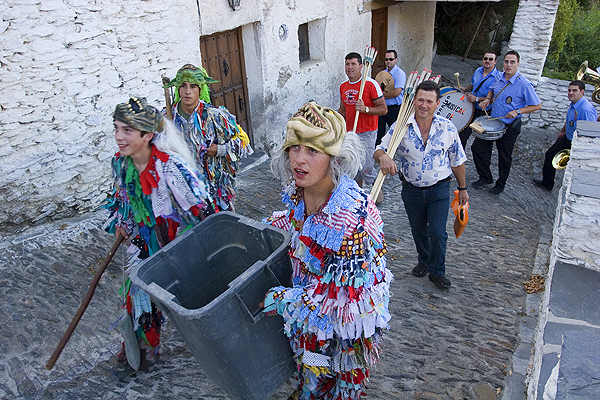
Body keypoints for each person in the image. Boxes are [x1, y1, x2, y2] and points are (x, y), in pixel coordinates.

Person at [262, 102, 392, 399]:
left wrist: (280, 299)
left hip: (349, 328)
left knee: (341, 388)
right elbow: (300, 224)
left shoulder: (350, 217)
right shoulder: (301, 191)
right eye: (295, 148)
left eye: (312, 151)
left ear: (333, 157)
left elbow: (338, 301)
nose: (299, 160)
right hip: (312, 325)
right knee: (312, 371)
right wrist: (268, 226)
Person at [104, 97, 214, 375]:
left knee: (188, 297)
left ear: (148, 135)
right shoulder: (122, 164)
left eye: (127, 130)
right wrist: (123, 221)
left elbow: (201, 209)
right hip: (144, 240)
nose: (119, 137)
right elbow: (125, 196)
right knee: (137, 291)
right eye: (116, 128)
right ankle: (140, 346)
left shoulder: (169, 167)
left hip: (179, 242)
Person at [374, 81, 468, 289]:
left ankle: (437, 270)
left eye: (429, 101)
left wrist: (462, 189)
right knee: (418, 230)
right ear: (414, 100)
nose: (423, 105)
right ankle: (424, 260)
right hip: (411, 189)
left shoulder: (447, 127)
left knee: (437, 232)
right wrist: (384, 158)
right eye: (420, 100)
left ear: (437, 104)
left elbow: (457, 160)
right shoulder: (400, 127)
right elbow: (379, 149)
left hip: (439, 187)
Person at [164, 64, 253, 212]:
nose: (187, 91)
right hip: (181, 195)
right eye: (183, 86)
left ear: (200, 89)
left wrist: (220, 149)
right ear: (178, 88)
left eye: (193, 86)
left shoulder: (215, 116)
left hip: (214, 193)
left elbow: (243, 142)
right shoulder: (166, 119)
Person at [472, 50, 542, 195]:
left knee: (504, 157)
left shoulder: (524, 84)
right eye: (506, 61)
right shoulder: (498, 77)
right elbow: (492, 90)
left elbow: (536, 105)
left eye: (512, 62)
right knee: (477, 148)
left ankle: (500, 184)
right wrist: (488, 99)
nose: (508, 65)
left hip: (510, 126)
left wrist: (518, 111)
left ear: (518, 64)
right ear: (502, 62)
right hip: (494, 121)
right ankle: (485, 177)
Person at [533, 80, 598, 190]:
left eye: (574, 90)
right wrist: (563, 131)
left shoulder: (586, 109)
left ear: (582, 92)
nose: (571, 93)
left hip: (576, 144)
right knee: (550, 154)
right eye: (569, 90)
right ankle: (547, 183)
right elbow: (570, 120)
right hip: (567, 137)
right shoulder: (574, 103)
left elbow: (589, 132)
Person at [339, 52, 387, 194]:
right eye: (347, 64)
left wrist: (365, 109)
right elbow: (342, 110)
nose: (350, 67)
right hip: (350, 132)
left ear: (361, 66)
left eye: (353, 64)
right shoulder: (343, 86)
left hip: (367, 132)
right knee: (351, 165)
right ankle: (357, 193)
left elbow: (383, 109)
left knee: (366, 166)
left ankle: (376, 190)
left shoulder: (371, 84)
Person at [458, 51, 500, 150]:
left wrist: (477, 99)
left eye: (490, 59)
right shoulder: (478, 71)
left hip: (485, 112)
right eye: (485, 58)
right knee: (462, 136)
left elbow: (495, 98)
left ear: (495, 62)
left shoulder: (498, 77)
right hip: (471, 109)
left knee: (482, 145)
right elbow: (474, 83)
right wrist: (466, 89)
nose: (487, 61)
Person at [377, 50, 406, 145]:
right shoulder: (383, 73)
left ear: (396, 60)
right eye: (386, 59)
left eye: (391, 59)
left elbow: (397, 92)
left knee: (395, 132)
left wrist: (382, 96)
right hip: (383, 106)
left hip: (394, 108)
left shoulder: (400, 74)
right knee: (379, 132)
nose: (388, 61)